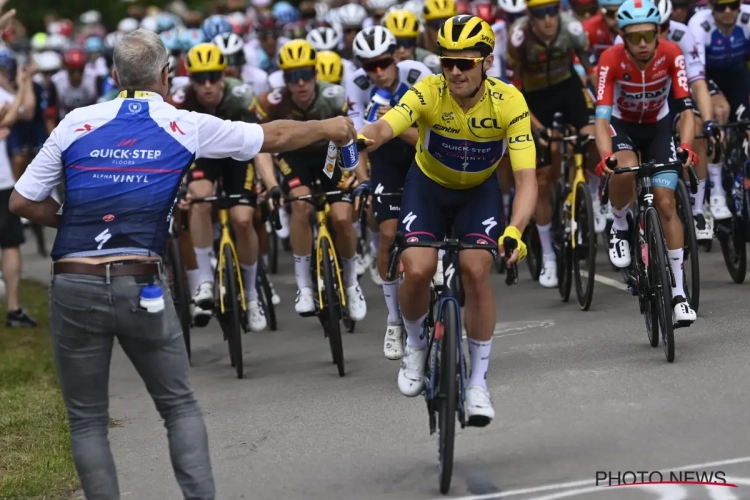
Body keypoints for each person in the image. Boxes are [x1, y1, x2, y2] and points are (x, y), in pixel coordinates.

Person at [8, 29, 356, 500]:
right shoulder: (182, 122)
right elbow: (272, 136)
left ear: (114, 76)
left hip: (74, 279)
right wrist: (329, 127)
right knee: (178, 407)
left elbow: (22, 202)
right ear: (167, 77)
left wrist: (84, 222)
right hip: (141, 281)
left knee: (87, 421)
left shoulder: (75, 123)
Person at [358, 15, 538, 424]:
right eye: (447, 62)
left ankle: (477, 382)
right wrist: (362, 139)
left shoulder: (510, 101)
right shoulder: (428, 90)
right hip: (429, 186)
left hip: (480, 192)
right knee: (417, 268)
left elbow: (527, 178)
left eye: (465, 63)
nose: (454, 71)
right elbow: (389, 125)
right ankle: (417, 347)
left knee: (476, 270)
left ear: (487, 61)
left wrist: (516, 229)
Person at [594, 0, 698, 324]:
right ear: (623, 37)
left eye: (648, 36)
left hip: (658, 127)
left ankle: (679, 294)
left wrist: (686, 147)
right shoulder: (609, 59)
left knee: (667, 204)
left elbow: (685, 110)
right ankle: (620, 224)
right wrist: (604, 158)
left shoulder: (671, 53)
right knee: (623, 170)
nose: (642, 44)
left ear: (657, 33)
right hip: (623, 126)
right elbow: (601, 119)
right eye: (634, 37)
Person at [0, 58, 36, 328]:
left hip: (3, 180)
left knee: (11, 242)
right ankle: (13, 309)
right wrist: (24, 83)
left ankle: (13, 309)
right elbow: (18, 112)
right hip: (1, 181)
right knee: (10, 243)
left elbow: (16, 114)